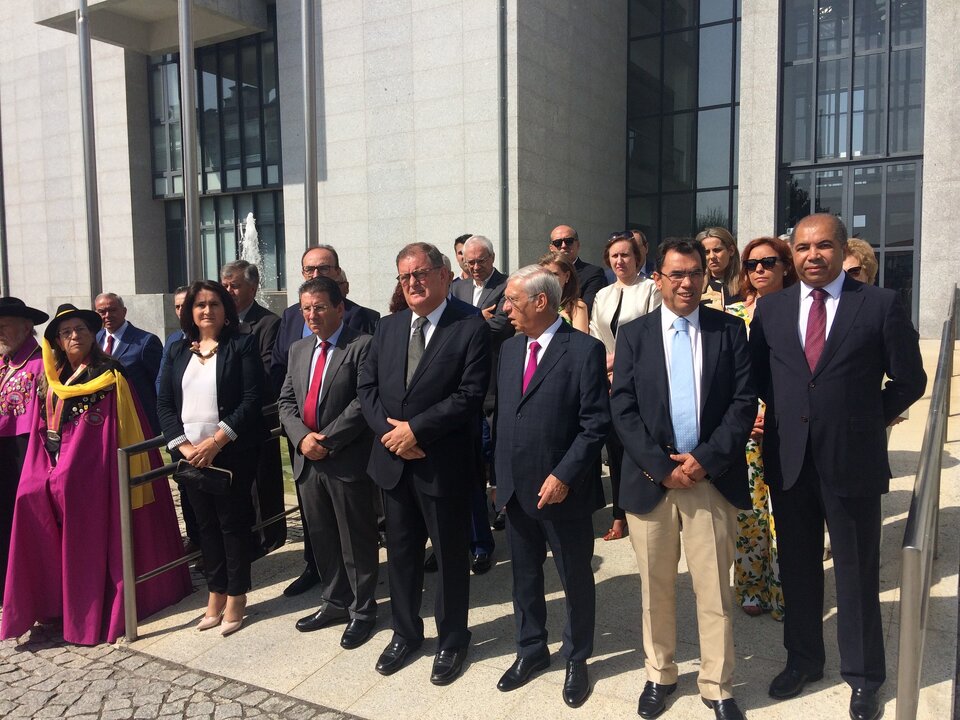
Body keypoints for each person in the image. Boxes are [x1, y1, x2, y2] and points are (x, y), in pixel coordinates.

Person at [750, 214, 926, 720]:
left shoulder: (880, 304)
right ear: (793, 253)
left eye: (824, 245)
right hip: (790, 460)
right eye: (803, 246)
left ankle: (865, 677)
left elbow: (910, 379)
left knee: (856, 572)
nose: (813, 255)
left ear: (842, 249)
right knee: (798, 569)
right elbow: (760, 376)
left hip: (852, 461)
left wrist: (864, 418)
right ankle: (803, 660)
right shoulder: (772, 308)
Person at [611, 238, 756, 720]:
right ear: (658, 279)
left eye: (695, 272)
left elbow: (743, 404)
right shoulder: (634, 334)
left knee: (714, 591)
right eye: (676, 274)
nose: (687, 283)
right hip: (652, 483)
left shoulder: (728, 330)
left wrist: (703, 460)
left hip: (709, 481)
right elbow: (623, 408)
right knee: (656, 590)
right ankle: (660, 674)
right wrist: (662, 466)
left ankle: (718, 685)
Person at [2, 303, 190, 645]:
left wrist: (68, 467)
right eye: (67, 332)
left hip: (97, 468)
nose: (75, 336)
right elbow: (43, 426)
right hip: (54, 460)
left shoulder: (108, 374)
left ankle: (90, 607)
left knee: (73, 498)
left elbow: (115, 429)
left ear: (93, 335)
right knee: (27, 498)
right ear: (59, 342)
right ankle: (50, 603)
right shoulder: (51, 377)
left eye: (81, 330)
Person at [358, 242, 490, 685]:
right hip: (393, 462)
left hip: (443, 465)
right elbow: (367, 388)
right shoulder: (388, 325)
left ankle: (452, 639)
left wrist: (416, 431)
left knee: (450, 558)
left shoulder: (470, 325)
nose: (412, 283)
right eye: (404, 276)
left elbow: (470, 395)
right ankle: (406, 633)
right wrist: (392, 436)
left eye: (420, 273)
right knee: (400, 554)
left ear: (444, 274)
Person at [494, 265, 610, 708]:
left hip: (564, 490)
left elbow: (594, 423)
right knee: (524, 576)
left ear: (541, 301)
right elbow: (504, 418)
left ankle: (577, 656)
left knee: (574, 577)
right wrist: (498, 477)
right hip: (515, 488)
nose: (505, 309)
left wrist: (564, 475)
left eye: (512, 300)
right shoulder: (509, 350)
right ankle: (531, 648)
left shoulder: (583, 350)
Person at [157, 281, 266, 638]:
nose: (207, 310)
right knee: (205, 528)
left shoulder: (242, 344)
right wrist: (185, 447)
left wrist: (216, 442)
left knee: (232, 526)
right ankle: (215, 592)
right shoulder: (177, 350)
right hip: (191, 457)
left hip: (230, 453)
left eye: (214, 304)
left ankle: (236, 595)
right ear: (190, 311)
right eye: (200, 304)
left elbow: (251, 399)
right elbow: (164, 403)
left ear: (226, 310)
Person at [271, 245, 379, 597]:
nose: (312, 315)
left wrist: (325, 441)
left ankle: (362, 607)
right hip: (307, 459)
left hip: (345, 458)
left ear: (339, 308)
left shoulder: (362, 345)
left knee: (355, 539)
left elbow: (363, 401)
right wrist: (303, 439)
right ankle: (334, 600)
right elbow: (286, 401)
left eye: (319, 307)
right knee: (322, 537)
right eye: (306, 309)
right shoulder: (299, 349)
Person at [725, 237, 796, 620]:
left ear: (785, 265)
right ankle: (751, 586)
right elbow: (722, 374)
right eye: (752, 264)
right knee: (749, 510)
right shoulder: (733, 314)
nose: (759, 270)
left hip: (789, 422)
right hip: (745, 424)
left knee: (788, 511)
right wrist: (741, 415)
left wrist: (779, 413)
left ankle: (786, 591)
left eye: (768, 262)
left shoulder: (802, 308)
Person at [589, 230, 661, 542]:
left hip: (641, 379)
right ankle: (619, 514)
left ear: (637, 258)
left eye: (626, 255)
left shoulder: (650, 289)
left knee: (641, 446)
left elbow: (652, 334)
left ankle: (650, 506)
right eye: (615, 255)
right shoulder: (602, 295)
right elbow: (595, 335)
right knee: (616, 451)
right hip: (608, 382)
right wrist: (604, 370)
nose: (620, 260)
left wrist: (616, 365)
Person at [220, 260, 286, 556]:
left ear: (253, 287)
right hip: (225, 420)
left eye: (235, 286)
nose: (228, 291)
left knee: (262, 482)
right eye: (225, 285)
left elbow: (268, 370)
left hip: (257, 417)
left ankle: (268, 539)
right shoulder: (221, 322)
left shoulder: (268, 323)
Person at [0, 297, 48, 603]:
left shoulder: (43, 362)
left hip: (27, 450)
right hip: (3, 453)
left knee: (25, 520)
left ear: (27, 326)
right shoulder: (3, 360)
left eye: (4, 326)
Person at [94, 292, 164, 433]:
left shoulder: (146, 341)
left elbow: (160, 384)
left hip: (139, 421)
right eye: (102, 312)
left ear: (124, 311)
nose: (107, 315)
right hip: (105, 420)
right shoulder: (94, 339)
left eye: (112, 310)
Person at [548, 224, 607, 312]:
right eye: (557, 243)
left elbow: (587, 309)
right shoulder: (543, 273)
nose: (563, 246)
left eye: (569, 241)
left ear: (578, 245)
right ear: (551, 248)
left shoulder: (593, 273)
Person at [538, 253, 589, 333]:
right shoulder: (535, 304)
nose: (549, 279)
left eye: (554, 274)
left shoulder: (577, 306)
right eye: (545, 275)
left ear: (567, 276)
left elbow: (580, 339)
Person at [696, 228, 742, 310]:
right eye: (706, 252)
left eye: (717, 250)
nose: (712, 256)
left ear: (731, 250)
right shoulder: (697, 286)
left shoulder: (746, 285)